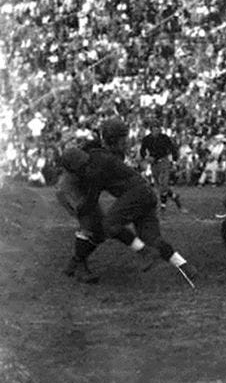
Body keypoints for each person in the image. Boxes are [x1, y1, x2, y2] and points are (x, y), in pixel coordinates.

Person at [64, 118, 196, 285]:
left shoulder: (98, 161)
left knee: (109, 225)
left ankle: (144, 253)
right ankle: (184, 266)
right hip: (145, 194)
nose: (125, 143)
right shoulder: (106, 156)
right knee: (152, 238)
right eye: (122, 139)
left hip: (136, 193)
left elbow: (93, 196)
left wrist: (80, 210)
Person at [140, 121, 184, 211]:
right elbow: (142, 150)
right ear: (151, 130)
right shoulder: (147, 139)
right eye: (154, 129)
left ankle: (163, 206)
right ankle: (174, 196)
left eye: (158, 128)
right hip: (154, 164)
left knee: (163, 183)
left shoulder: (164, 138)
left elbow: (172, 149)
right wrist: (147, 157)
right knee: (159, 186)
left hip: (164, 161)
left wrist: (174, 161)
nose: (156, 131)